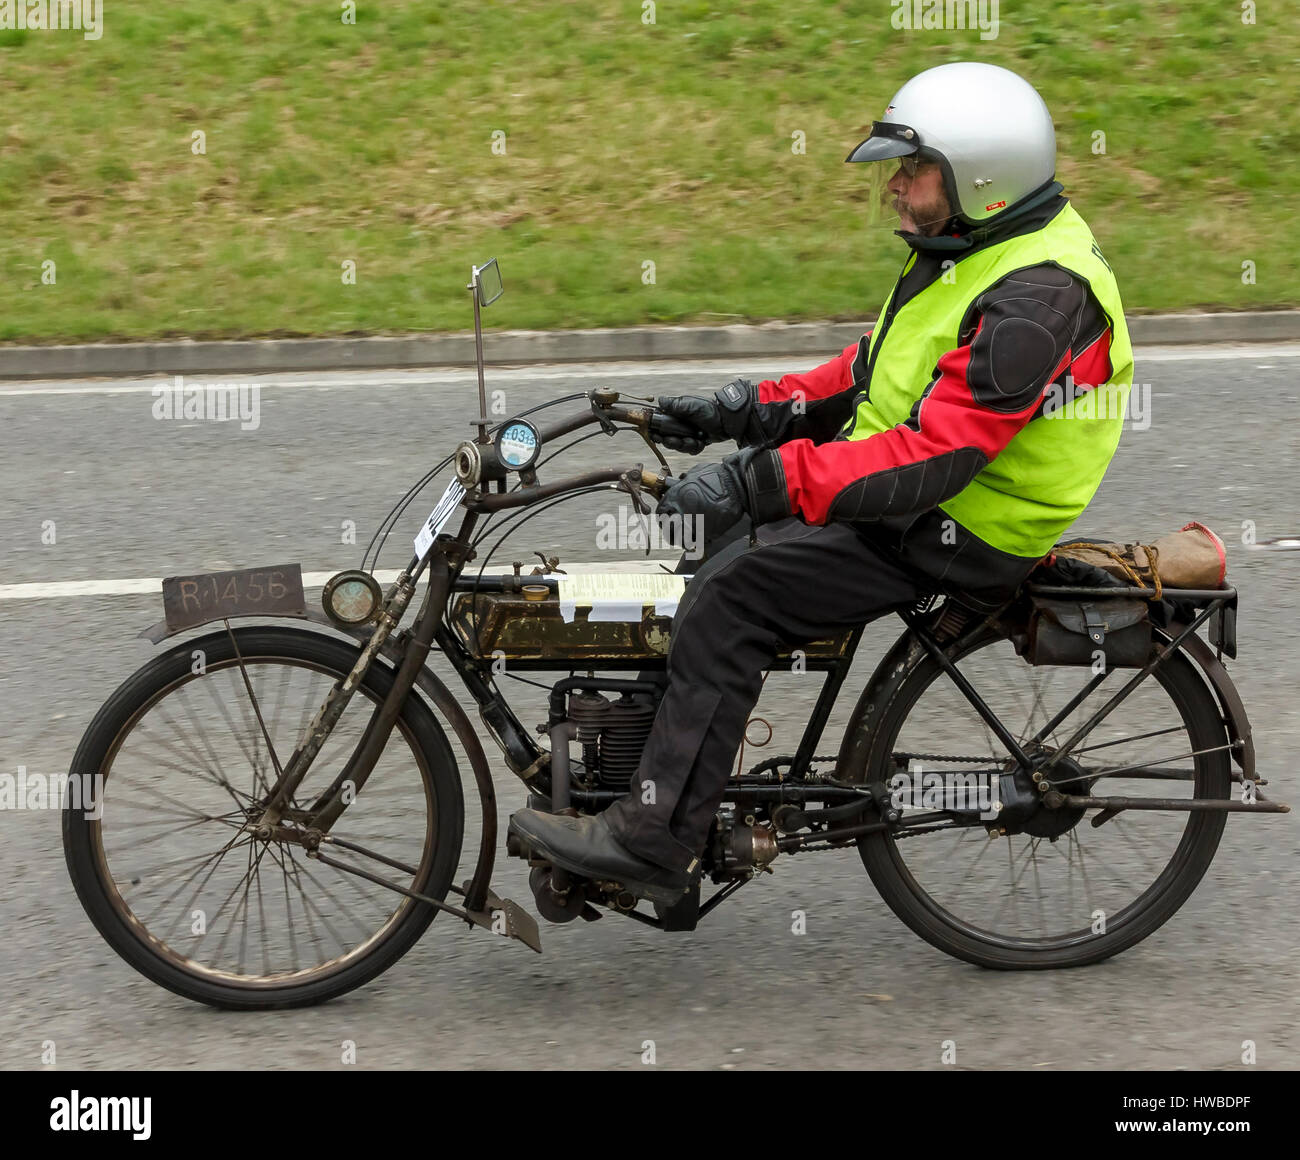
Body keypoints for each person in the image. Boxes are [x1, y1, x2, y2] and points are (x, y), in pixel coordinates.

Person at [509, 61, 1134, 905]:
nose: (896, 190)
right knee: (708, 555)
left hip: (961, 525)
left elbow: (934, 457)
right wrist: (738, 412)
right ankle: (654, 774)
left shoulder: (1037, 298)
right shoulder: (976, 250)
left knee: (734, 599)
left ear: (982, 176)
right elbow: (869, 375)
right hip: (921, 498)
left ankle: (654, 840)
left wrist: (761, 481)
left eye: (914, 172)